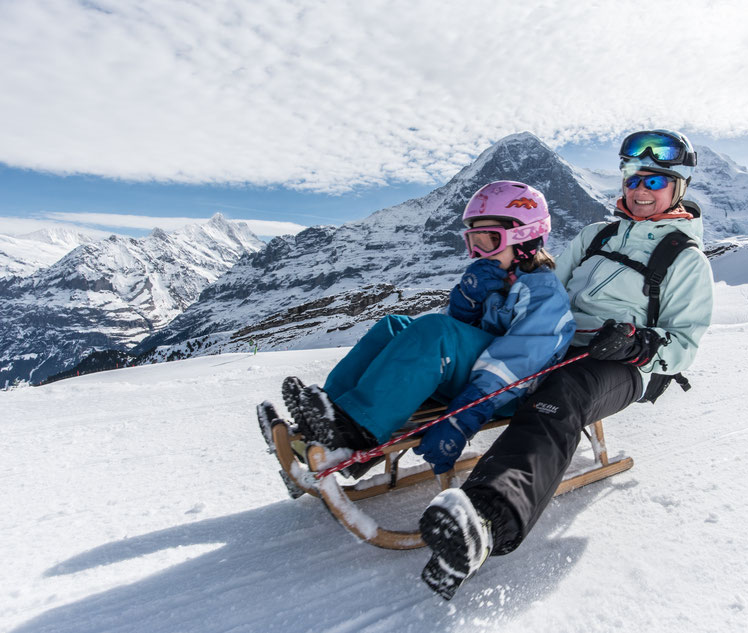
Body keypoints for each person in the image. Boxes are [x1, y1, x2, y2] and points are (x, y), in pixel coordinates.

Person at [418, 130, 715, 600]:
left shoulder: (684, 258)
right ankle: (352, 430)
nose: (641, 190)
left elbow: (685, 345)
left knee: (561, 395)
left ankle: (488, 517)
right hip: (557, 341)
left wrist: (638, 344)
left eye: (656, 182)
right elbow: (542, 286)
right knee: (472, 358)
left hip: (619, 366)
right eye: (635, 179)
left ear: (678, 188)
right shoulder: (597, 235)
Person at [277, 180, 576, 480]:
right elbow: (465, 335)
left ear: (526, 240)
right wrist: (467, 304)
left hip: (507, 392)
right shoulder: (497, 278)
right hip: (481, 377)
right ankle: (329, 414)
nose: (477, 253)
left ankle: (357, 433)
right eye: (472, 242)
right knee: (393, 326)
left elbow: (521, 362)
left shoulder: (543, 292)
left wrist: (463, 417)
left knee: (436, 332)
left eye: (488, 241)